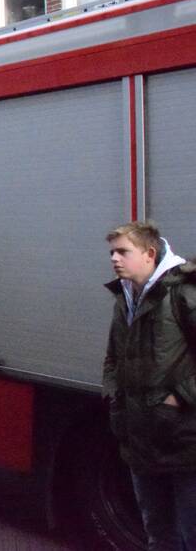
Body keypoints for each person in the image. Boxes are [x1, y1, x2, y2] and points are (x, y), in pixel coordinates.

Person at [102, 221, 196, 548]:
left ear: (149, 254)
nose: (114, 258)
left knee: (189, 534)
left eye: (123, 251)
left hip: (185, 443)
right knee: (157, 533)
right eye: (112, 252)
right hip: (140, 442)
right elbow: (113, 357)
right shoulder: (124, 297)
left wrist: (177, 400)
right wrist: (114, 397)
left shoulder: (183, 294)